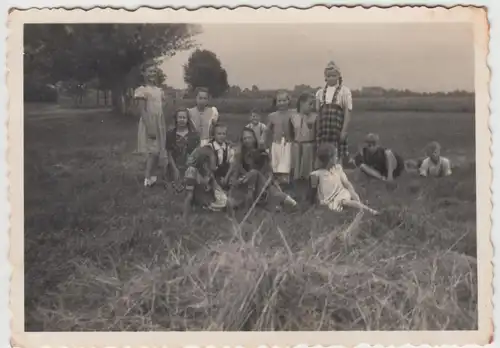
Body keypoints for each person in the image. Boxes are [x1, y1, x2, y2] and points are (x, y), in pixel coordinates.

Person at [227, 127, 297, 211]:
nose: (247, 140)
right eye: (245, 138)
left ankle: (289, 203)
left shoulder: (262, 153)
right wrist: (235, 182)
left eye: (249, 137)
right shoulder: (239, 155)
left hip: (261, 183)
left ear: (254, 139)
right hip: (245, 183)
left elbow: (268, 173)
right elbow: (236, 172)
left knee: (256, 175)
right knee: (233, 202)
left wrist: (269, 182)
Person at [309, 144, 379, 215]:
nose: (337, 158)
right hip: (328, 200)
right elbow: (312, 193)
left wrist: (355, 197)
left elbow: (347, 184)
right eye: (335, 156)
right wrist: (314, 205)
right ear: (329, 159)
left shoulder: (338, 168)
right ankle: (359, 208)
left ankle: (370, 211)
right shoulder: (316, 174)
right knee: (343, 205)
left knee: (345, 202)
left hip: (342, 194)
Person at [134, 63, 168, 187]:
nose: (152, 74)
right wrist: (150, 126)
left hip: (159, 123)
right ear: (144, 74)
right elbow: (142, 110)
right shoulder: (142, 90)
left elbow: (162, 106)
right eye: (149, 71)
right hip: (149, 122)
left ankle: (153, 176)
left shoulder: (159, 90)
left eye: (154, 71)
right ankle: (147, 177)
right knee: (152, 151)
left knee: (158, 150)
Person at [315, 60, 353, 168]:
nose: (331, 78)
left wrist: (344, 130)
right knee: (323, 152)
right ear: (325, 77)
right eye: (329, 76)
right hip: (323, 129)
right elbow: (318, 113)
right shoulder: (320, 92)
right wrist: (317, 130)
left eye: (333, 75)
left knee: (336, 154)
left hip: (336, 128)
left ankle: (336, 177)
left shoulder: (344, 91)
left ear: (338, 76)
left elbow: (347, 111)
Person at [183, 145, 228, 222]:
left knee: (228, 201)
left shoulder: (208, 171)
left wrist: (223, 198)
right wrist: (185, 217)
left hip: (207, 197)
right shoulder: (191, 172)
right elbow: (189, 196)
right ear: (205, 163)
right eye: (213, 158)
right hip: (199, 199)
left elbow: (216, 187)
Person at [166, 107, 200, 192]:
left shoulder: (194, 135)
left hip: (189, 164)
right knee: (174, 182)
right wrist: (174, 169)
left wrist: (191, 165)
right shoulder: (170, 134)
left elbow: (196, 153)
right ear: (176, 119)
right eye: (179, 117)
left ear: (188, 119)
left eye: (184, 117)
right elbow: (169, 154)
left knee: (190, 181)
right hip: (175, 164)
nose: (182, 120)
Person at [263, 90, 294, 185]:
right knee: (276, 163)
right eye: (279, 101)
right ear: (276, 102)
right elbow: (267, 129)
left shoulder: (293, 114)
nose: (282, 103)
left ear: (289, 101)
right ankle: (277, 182)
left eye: (284, 100)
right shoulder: (272, 116)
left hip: (288, 143)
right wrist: (262, 138)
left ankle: (287, 182)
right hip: (276, 143)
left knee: (287, 162)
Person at [290, 93, 317, 181]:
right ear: (302, 103)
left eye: (313, 104)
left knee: (309, 171)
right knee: (296, 171)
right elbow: (290, 133)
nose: (312, 106)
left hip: (309, 146)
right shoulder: (293, 117)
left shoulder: (314, 117)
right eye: (310, 104)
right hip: (297, 146)